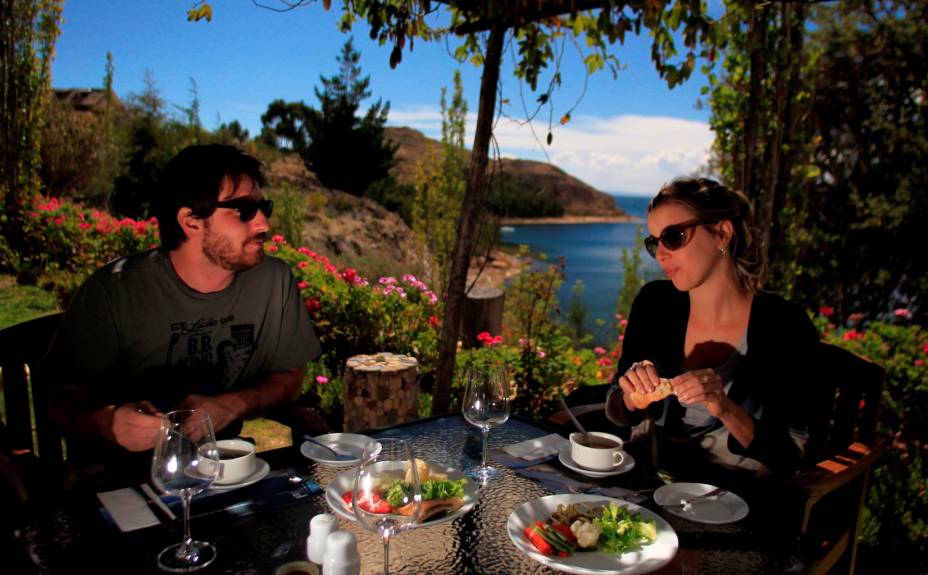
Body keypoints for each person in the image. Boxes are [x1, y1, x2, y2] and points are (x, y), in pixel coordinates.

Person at [40, 144, 322, 478]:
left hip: (219, 473)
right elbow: (56, 399)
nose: (263, 223)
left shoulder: (273, 281)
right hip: (117, 479)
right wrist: (109, 423)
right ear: (190, 222)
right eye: (244, 210)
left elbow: (289, 375)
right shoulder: (115, 291)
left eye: (264, 207)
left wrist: (232, 405)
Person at [603, 177, 820, 496]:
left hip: (733, 501)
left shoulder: (784, 325)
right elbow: (620, 412)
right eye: (653, 243)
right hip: (643, 483)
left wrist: (725, 407)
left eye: (673, 237)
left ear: (722, 233)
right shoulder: (654, 303)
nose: (660, 254)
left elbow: (787, 457)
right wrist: (632, 399)